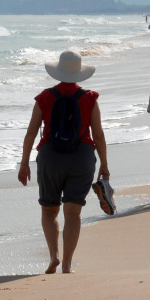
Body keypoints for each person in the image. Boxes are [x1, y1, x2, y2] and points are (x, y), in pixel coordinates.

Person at [18, 50, 109, 274]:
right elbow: (98, 135)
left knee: (49, 211)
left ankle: (53, 256)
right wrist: (105, 164)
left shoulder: (45, 97)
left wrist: (24, 163)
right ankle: (68, 263)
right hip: (82, 156)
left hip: (50, 156)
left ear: (58, 71)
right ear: (80, 73)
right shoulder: (89, 98)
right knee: (73, 213)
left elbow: (31, 133)